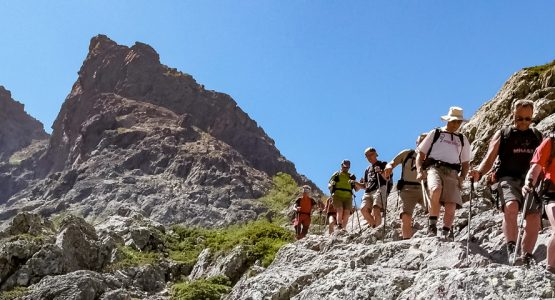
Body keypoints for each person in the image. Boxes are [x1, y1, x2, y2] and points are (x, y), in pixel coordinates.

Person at [470, 99, 542, 264]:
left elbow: (543, 159)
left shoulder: (537, 135)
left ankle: (527, 256)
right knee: (511, 207)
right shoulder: (504, 133)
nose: (523, 122)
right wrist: (479, 172)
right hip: (507, 179)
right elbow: (489, 158)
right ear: (513, 116)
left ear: (532, 117)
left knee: (534, 218)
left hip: (530, 181)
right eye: (519, 118)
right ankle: (512, 248)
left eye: (527, 118)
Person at [416, 106, 471, 239]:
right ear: (448, 120)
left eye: (459, 122)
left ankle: (446, 231)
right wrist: (419, 170)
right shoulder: (436, 133)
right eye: (454, 121)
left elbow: (465, 163)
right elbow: (420, 154)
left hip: (452, 172)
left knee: (451, 206)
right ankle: (432, 222)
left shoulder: (462, 139)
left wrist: (462, 177)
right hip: (434, 168)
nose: (456, 124)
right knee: (435, 189)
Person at [383, 134, 427, 239]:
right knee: (406, 215)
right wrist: (389, 167)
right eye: (420, 141)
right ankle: (407, 239)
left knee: (435, 210)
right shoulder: (407, 153)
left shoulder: (432, 157)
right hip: (407, 189)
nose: (422, 142)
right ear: (417, 143)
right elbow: (392, 162)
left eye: (425, 140)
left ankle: (436, 234)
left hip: (425, 188)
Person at [524, 135, 555, 273]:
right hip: (552, 194)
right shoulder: (550, 142)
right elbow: (535, 169)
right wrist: (528, 182)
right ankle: (551, 270)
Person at [354, 148, 391, 228]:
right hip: (368, 191)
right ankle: (375, 227)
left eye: (371, 155)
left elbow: (387, 178)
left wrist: (380, 172)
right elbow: (365, 186)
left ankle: (376, 229)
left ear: (375, 154)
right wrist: (355, 183)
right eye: (367, 156)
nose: (369, 157)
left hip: (380, 188)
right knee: (363, 209)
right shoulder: (367, 169)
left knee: (376, 209)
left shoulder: (383, 164)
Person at [328, 160, 356, 230]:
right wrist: (331, 185)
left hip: (348, 196)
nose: (346, 168)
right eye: (344, 167)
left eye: (347, 167)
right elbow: (329, 184)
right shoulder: (336, 174)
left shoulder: (351, 176)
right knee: (340, 209)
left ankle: (343, 229)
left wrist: (358, 183)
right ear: (341, 166)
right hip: (337, 195)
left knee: (347, 212)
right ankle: (339, 225)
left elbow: (356, 189)